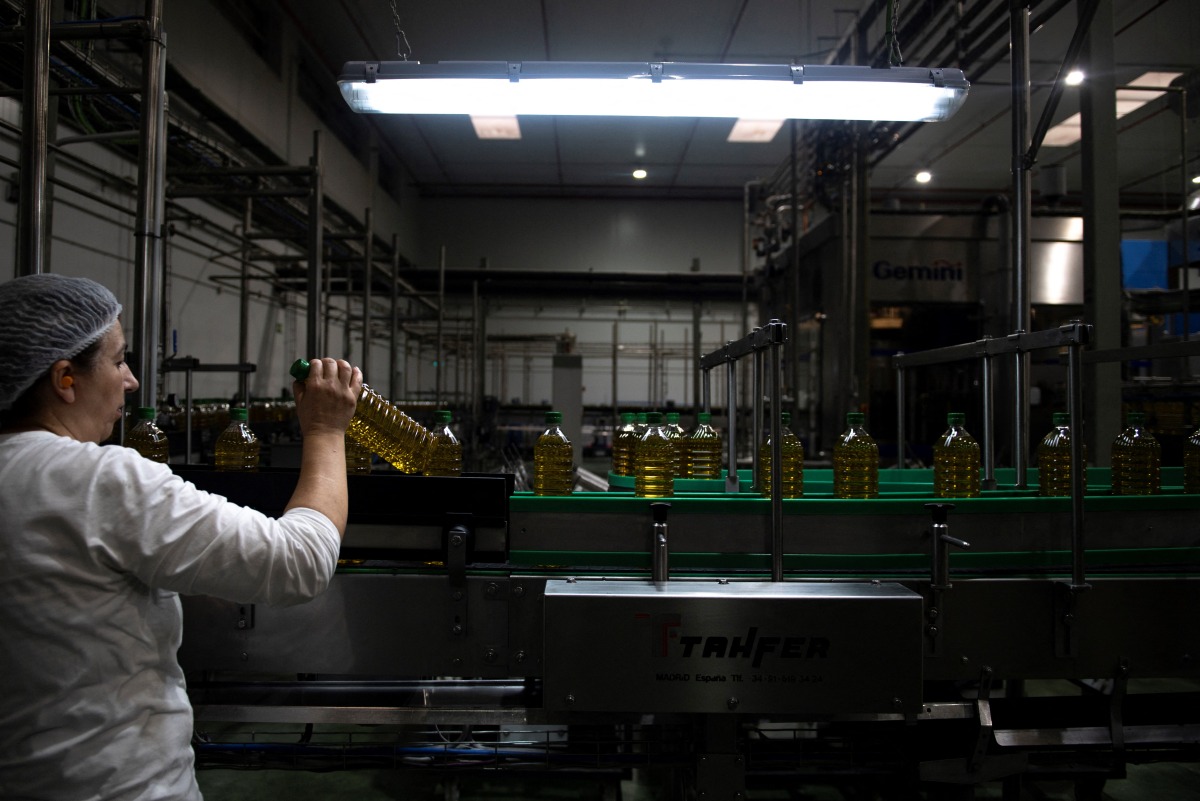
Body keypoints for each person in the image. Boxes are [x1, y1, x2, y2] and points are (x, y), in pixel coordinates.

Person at [0, 273, 362, 800]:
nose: (131, 382)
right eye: (119, 359)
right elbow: (299, 561)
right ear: (65, 379)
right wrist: (327, 431)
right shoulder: (101, 480)